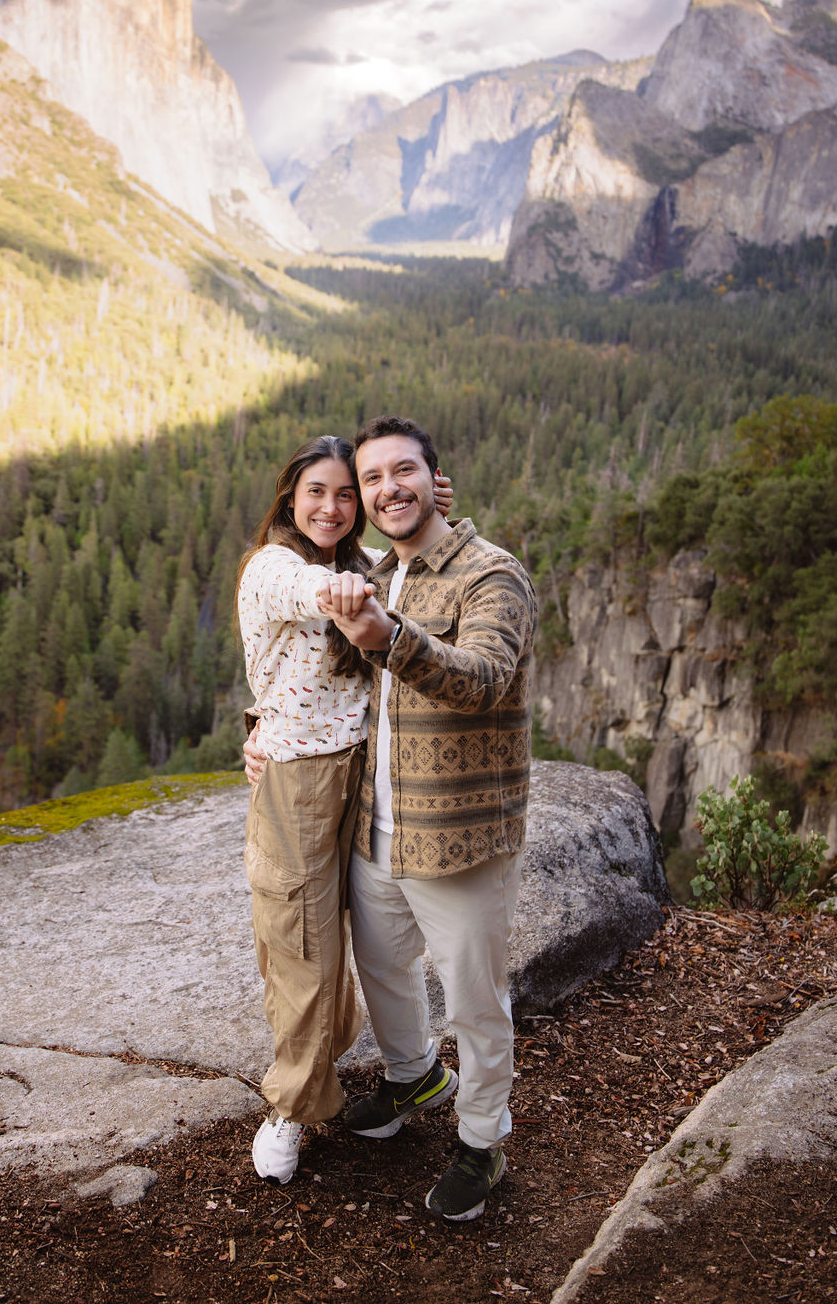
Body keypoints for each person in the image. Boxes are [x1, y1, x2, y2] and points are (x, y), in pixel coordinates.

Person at [318, 415, 536, 1223]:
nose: (386, 489)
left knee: (476, 1000)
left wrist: (389, 635)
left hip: (461, 838)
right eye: (372, 480)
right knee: (382, 968)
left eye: (401, 471)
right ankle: (412, 1075)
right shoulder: (382, 570)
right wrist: (264, 734)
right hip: (380, 827)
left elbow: (483, 676)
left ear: (434, 478)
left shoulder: (492, 574)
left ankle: (483, 1140)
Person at [235, 435, 453, 1185]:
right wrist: (339, 592)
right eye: (316, 492)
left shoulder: (360, 567)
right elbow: (300, 596)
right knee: (301, 945)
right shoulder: (277, 566)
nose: (331, 506)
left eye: (344, 494)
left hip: (365, 770)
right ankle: (292, 1107)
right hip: (297, 784)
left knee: (366, 934)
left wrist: (418, 519)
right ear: (290, 498)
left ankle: (395, 1067)